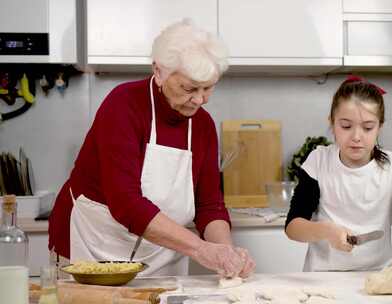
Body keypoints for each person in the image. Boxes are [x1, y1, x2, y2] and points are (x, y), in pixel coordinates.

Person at [48, 20, 255, 278]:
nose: (200, 99)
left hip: (161, 252)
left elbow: (209, 205)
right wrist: (201, 250)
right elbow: (126, 203)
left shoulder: (203, 125)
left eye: (209, 87)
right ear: (159, 71)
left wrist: (226, 253)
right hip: (93, 247)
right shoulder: (123, 106)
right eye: (189, 88)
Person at [285, 75, 392, 273]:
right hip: (322, 279)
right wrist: (326, 231)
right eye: (346, 126)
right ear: (332, 123)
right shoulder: (318, 161)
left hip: (378, 279)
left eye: (367, 127)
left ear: (380, 127)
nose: (356, 137)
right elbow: (293, 226)